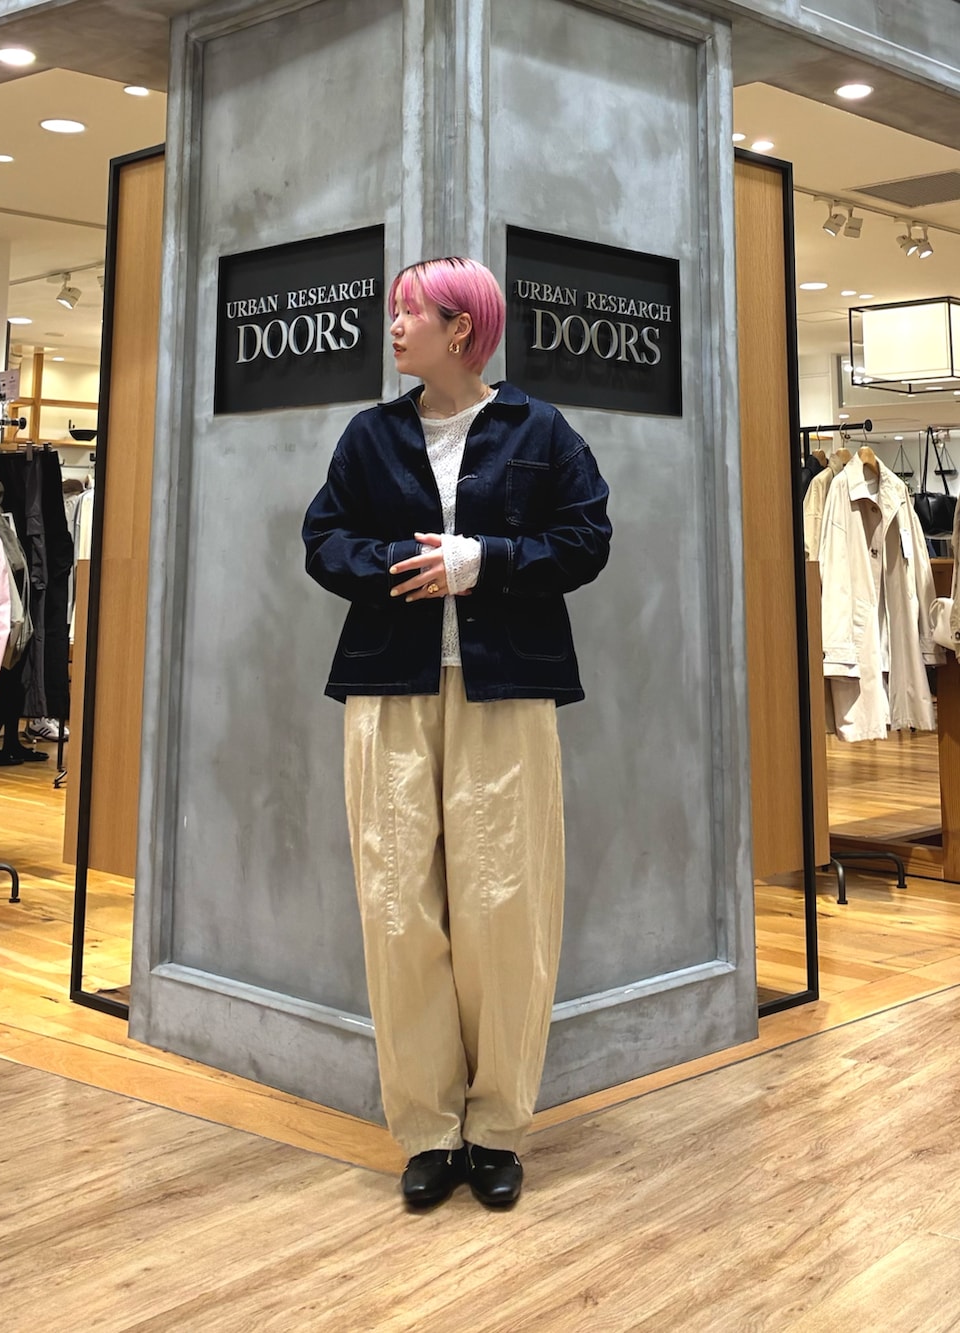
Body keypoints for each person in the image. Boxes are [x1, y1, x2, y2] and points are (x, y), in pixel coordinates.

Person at [302, 256, 611, 1209]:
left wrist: (488, 560)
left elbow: (587, 537)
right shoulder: (371, 434)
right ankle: (428, 1127)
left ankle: (498, 1126)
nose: (394, 326)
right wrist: (402, 562)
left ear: (462, 328)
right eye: (395, 311)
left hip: (506, 689)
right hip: (389, 688)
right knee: (398, 905)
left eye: (411, 312)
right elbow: (323, 540)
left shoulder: (540, 429)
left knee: (505, 907)